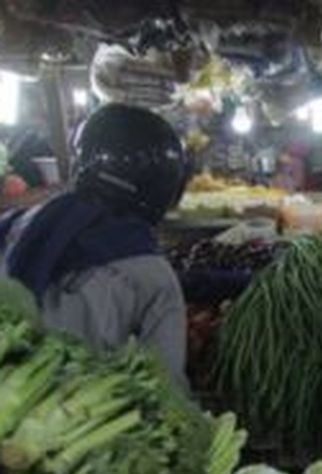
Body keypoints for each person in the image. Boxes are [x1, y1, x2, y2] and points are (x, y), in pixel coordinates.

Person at [0, 104, 189, 386]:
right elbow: (168, 384)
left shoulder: (17, 224)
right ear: (164, 186)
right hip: (77, 422)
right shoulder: (154, 276)